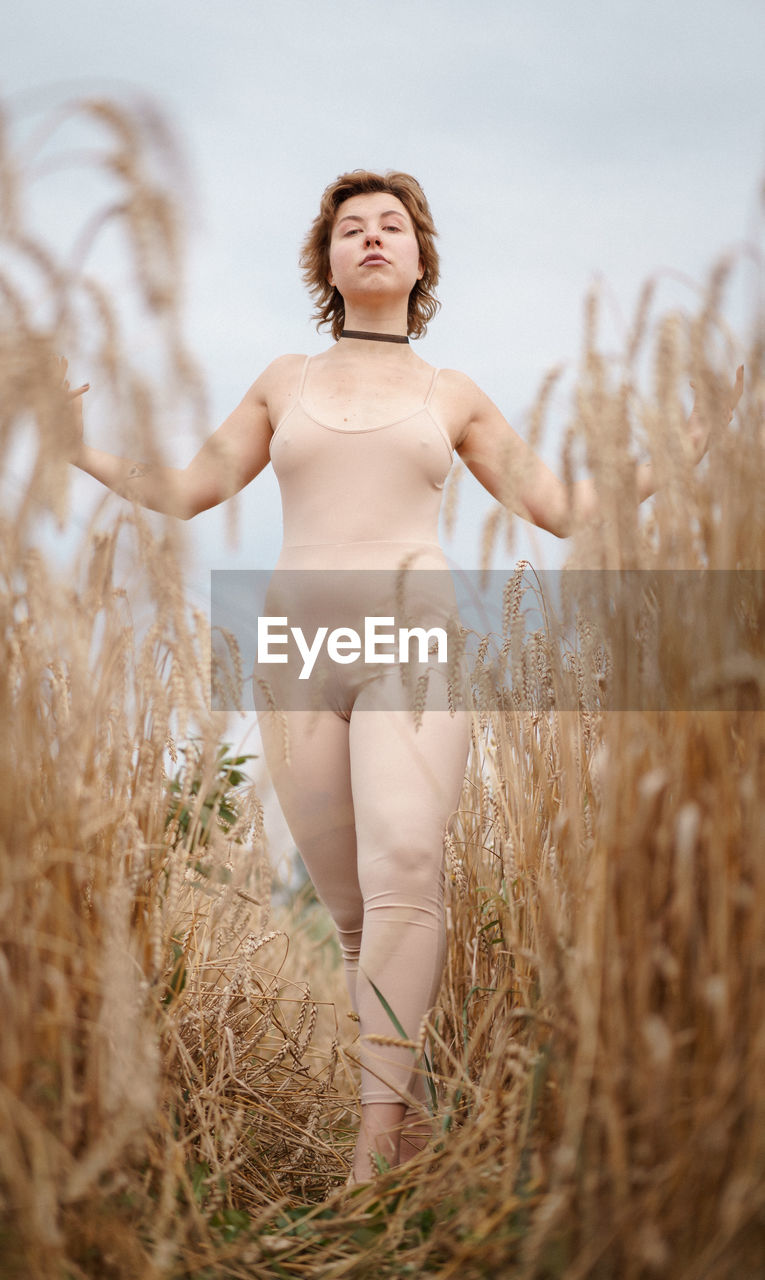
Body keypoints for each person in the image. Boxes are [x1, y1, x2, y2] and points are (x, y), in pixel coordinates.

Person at [65, 169, 741, 1184]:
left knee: (406, 867)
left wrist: (686, 453)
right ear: (326, 261)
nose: (372, 239)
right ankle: (410, 1119)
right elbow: (188, 489)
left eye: (392, 227)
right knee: (351, 914)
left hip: (413, 639)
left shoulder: (451, 393)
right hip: (295, 650)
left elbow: (559, 504)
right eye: (352, 229)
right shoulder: (281, 381)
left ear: (419, 259)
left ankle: (373, 1149)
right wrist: (75, 448)